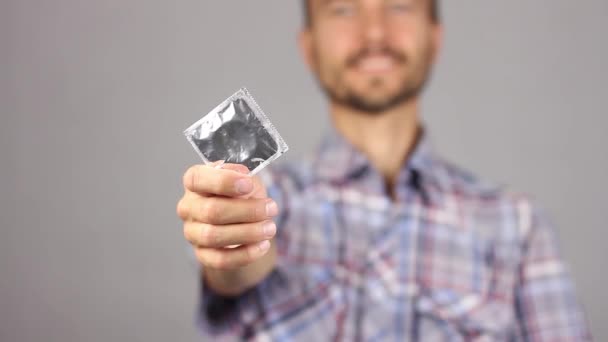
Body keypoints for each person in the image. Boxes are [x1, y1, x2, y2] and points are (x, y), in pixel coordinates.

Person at [176, 0, 591, 340]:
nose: (374, 34)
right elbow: (235, 276)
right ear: (308, 47)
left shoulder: (517, 226)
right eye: (342, 9)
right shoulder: (264, 197)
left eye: (400, 6)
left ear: (435, 39)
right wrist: (233, 244)